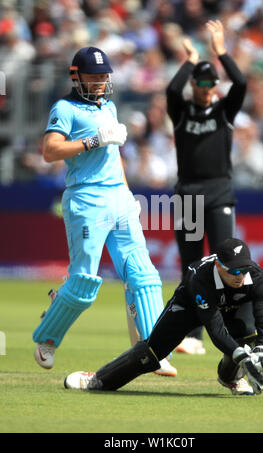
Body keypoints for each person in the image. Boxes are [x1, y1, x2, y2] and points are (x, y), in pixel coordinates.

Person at [32, 46, 176, 377]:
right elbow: (50, 151)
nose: (99, 83)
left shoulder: (109, 106)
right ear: (76, 76)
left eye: (103, 77)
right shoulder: (64, 108)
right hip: (86, 199)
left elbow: (113, 157)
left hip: (119, 198)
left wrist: (127, 195)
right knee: (83, 282)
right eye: (93, 77)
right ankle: (48, 338)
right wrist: (91, 142)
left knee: (143, 274)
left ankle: (157, 349)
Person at [64, 238, 263, 396]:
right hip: (189, 307)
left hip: (230, 307)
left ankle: (231, 377)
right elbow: (215, 329)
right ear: (219, 266)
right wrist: (244, 358)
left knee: (249, 331)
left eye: (244, 270)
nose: (240, 276)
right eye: (234, 271)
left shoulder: (258, 279)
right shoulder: (199, 276)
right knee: (150, 353)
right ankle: (97, 379)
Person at [166, 20, 247, 355]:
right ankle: (194, 336)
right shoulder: (182, 111)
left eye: (212, 82)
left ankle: (234, 330)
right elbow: (172, 90)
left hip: (219, 193)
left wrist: (220, 51)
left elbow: (240, 82)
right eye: (201, 81)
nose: (208, 87)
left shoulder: (224, 110)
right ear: (194, 84)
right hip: (187, 193)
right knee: (191, 265)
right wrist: (191, 59)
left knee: (226, 262)